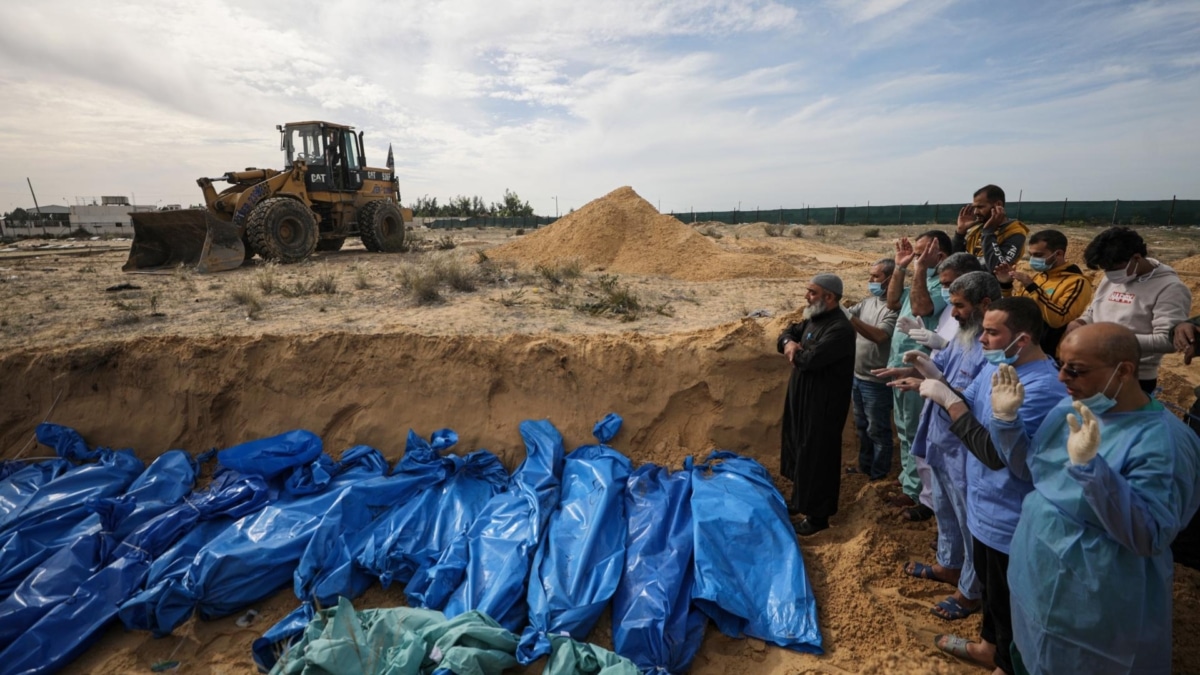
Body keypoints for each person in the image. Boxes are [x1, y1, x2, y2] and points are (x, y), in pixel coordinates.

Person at [988, 323, 1200, 674]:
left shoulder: (1164, 444)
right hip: (1037, 573)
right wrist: (1007, 421)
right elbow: (1032, 471)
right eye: (1061, 365)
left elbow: (1150, 535)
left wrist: (1093, 471)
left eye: (1076, 370)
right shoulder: (1071, 410)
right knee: (1030, 652)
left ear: (1125, 371)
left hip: (1098, 595)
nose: (1062, 379)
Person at [916, 297, 1066, 674]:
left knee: (1011, 600)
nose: (981, 338)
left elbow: (995, 453)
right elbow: (973, 404)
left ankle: (1008, 665)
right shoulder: (998, 369)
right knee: (992, 592)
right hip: (985, 505)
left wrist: (948, 401)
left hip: (1010, 517)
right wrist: (938, 381)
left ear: (1023, 339)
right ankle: (989, 647)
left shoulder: (1040, 388)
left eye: (991, 331)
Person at [882, 271, 999, 622]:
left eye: (960, 306)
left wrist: (938, 385)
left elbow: (972, 400)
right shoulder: (964, 338)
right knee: (946, 511)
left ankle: (970, 590)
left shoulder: (991, 349)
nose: (955, 314)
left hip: (965, 448)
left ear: (985, 304)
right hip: (942, 439)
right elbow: (942, 375)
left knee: (970, 521)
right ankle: (949, 564)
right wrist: (917, 372)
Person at [1066, 226, 1191, 393]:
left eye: (1113, 268)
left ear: (1136, 258)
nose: (1109, 274)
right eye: (1105, 269)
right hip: (1096, 367)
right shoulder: (1112, 277)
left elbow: (1168, 340)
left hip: (1132, 377)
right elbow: (1093, 310)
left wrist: (1111, 341)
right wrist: (1080, 321)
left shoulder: (1170, 288)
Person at [777, 273, 856, 536]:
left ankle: (818, 517)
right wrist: (789, 343)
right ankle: (800, 501)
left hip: (823, 407)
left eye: (812, 292)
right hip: (803, 401)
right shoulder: (815, 318)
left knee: (818, 457)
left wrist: (795, 351)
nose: (806, 296)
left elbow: (810, 359)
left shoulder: (840, 329)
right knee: (801, 449)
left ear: (829, 297)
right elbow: (788, 332)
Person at [884, 230, 952, 513]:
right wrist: (901, 267)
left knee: (915, 430)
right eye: (916, 252)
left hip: (920, 368)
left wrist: (920, 270)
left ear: (941, 256)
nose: (917, 257)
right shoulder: (919, 277)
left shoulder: (942, 284)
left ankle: (919, 494)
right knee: (903, 427)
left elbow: (923, 307)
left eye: (922, 252)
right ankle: (908, 483)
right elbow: (892, 302)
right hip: (899, 364)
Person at [993, 229, 1092, 357]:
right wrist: (1006, 284)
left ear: (1058, 254)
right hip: (1027, 350)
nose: (1033, 260)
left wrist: (1032, 287)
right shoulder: (1039, 278)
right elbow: (1017, 310)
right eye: (1031, 255)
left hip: (1052, 355)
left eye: (1039, 255)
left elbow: (1058, 320)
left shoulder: (1077, 283)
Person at [845, 259, 899, 481]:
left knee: (877, 431)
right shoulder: (868, 303)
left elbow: (879, 336)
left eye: (875, 277)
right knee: (862, 427)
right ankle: (864, 467)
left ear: (890, 279)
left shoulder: (895, 308)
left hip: (877, 382)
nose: (870, 281)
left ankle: (879, 474)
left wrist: (850, 319)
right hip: (857, 377)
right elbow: (845, 316)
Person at [952, 185, 1029, 273]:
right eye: (975, 207)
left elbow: (997, 268)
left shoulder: (1015, 232)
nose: (976, 212)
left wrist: (988, 232)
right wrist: (960, 233)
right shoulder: (976, 229)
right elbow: (952, 261)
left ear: (998, 205)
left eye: (980, 207)